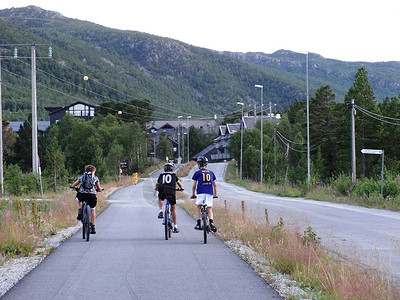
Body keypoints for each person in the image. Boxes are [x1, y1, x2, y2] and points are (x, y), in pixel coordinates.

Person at [71, 165, 103, 234]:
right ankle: (93, 226)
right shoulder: (95, 177)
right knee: (92, 209)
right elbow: (99, 188)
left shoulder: (83, 176)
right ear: (93, 171)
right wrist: (100, 189)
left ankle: (80, 210)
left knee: (78, 199)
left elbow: (75, 184)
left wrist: (74, 187)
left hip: (83, 195)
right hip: (92, 196)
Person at [191, 156, 218, 232]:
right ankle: (211, 222)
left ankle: (198, 223)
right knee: (209, 208)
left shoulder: (197, 173)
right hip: (209, 192)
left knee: (199, 207)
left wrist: (193, 194)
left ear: (199, 164)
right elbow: (215, 185)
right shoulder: (211, 173)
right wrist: (215, 194)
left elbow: (194, 186)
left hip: (200, 192)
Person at [155, 162, 184, 233]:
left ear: (164, 169)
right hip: (171, 191)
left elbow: (157, 183)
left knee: (160, 198)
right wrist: (181, 188)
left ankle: (161, 211)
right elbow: (178, 183)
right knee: (173, 209)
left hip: (162, 191)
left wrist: (156, 188)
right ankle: (175, 227)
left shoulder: (161, 175)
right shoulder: (174, 175)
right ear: (172, 169)